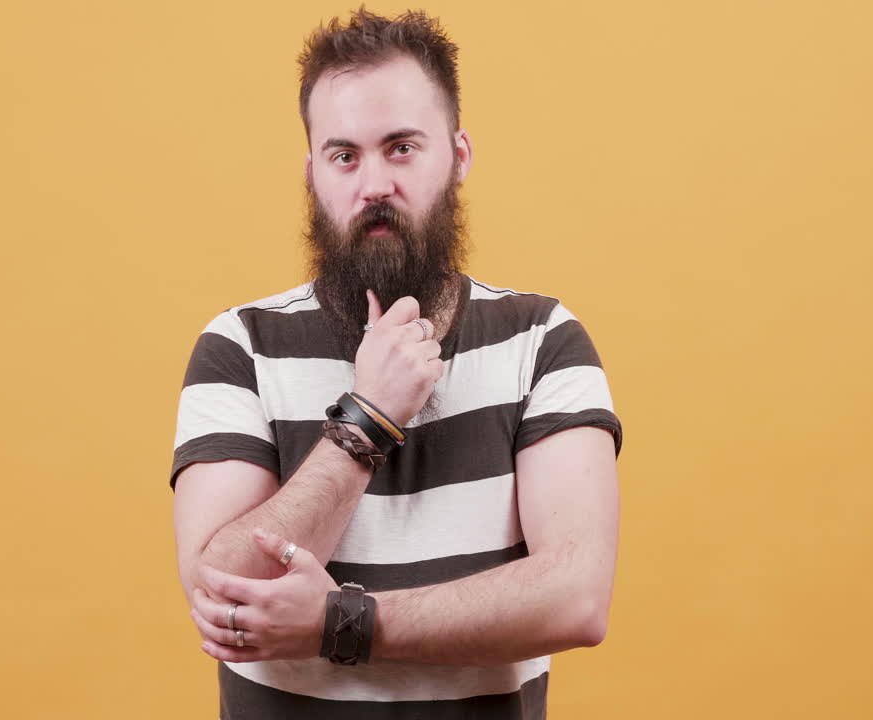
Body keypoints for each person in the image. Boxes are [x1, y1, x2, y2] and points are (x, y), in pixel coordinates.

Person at [170, 7, 623, 718]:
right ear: (312, 174)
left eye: (402, 148)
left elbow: (576, 597)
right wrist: (367, 420)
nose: (373, 183)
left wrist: (344, 623)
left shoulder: (543, 340)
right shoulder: (241, 346)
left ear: (459, 155)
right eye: (344, 155)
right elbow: (224, 594)